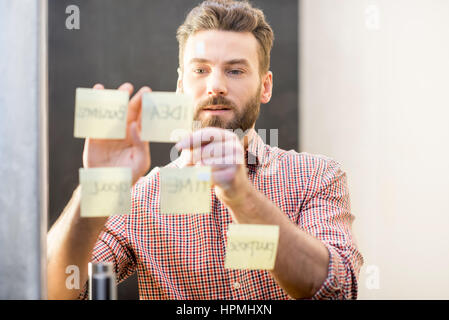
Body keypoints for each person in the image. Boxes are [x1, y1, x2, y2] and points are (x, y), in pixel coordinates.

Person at [47, 0, 363, 300]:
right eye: (200, 70)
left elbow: (336, 290)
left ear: (265, 87)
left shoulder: (316, 176)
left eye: (235, 70)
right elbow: (50, 291)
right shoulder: (140, 199)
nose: (216, 86)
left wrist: (241, 197)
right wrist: (97, 187)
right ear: (180, 85)